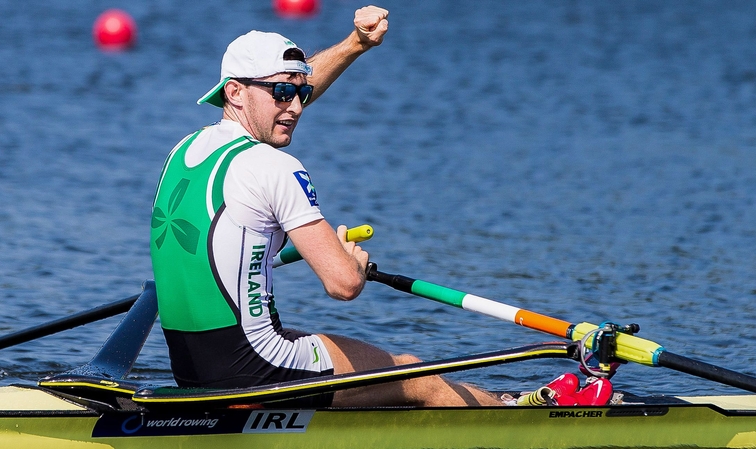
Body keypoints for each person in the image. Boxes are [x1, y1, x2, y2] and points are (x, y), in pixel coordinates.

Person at [150, 5, 612, 408]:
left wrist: (354, 44)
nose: (294, 107)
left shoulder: (185, 151)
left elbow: (282, 95)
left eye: (301, 93)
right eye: (283, 94)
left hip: (191, 370)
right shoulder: (276, 167)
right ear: (235, 92)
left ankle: (506, 400)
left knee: (314, 346)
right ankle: (520, 412)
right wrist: (348, 259)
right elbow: (343, 285)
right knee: (413, 374)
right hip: (253, 372)